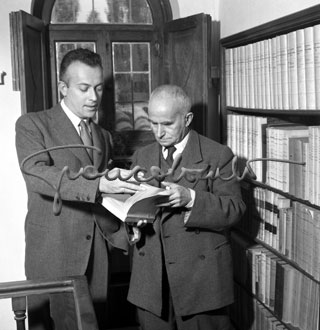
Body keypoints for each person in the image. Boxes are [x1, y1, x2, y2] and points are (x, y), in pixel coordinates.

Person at [15, 48, 142, 330]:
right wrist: (98, 183)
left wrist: (126, 227)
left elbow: (101, 200)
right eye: (84, 88)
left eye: (98, 88)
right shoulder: (32, 124)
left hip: (96, 259)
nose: (94, 97)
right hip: (53, 255)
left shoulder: (103, 136)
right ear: (63, 87)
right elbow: (38, 174)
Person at [127, 85, 246, 330]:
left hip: (200, 283)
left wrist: (191, 198)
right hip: (151, 283)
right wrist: (132, 224)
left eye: (167, 124)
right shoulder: (141, 156)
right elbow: (130, 207)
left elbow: (235, 208)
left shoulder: (219, 155)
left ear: (187, 119)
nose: (159, 132)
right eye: (153, 123)